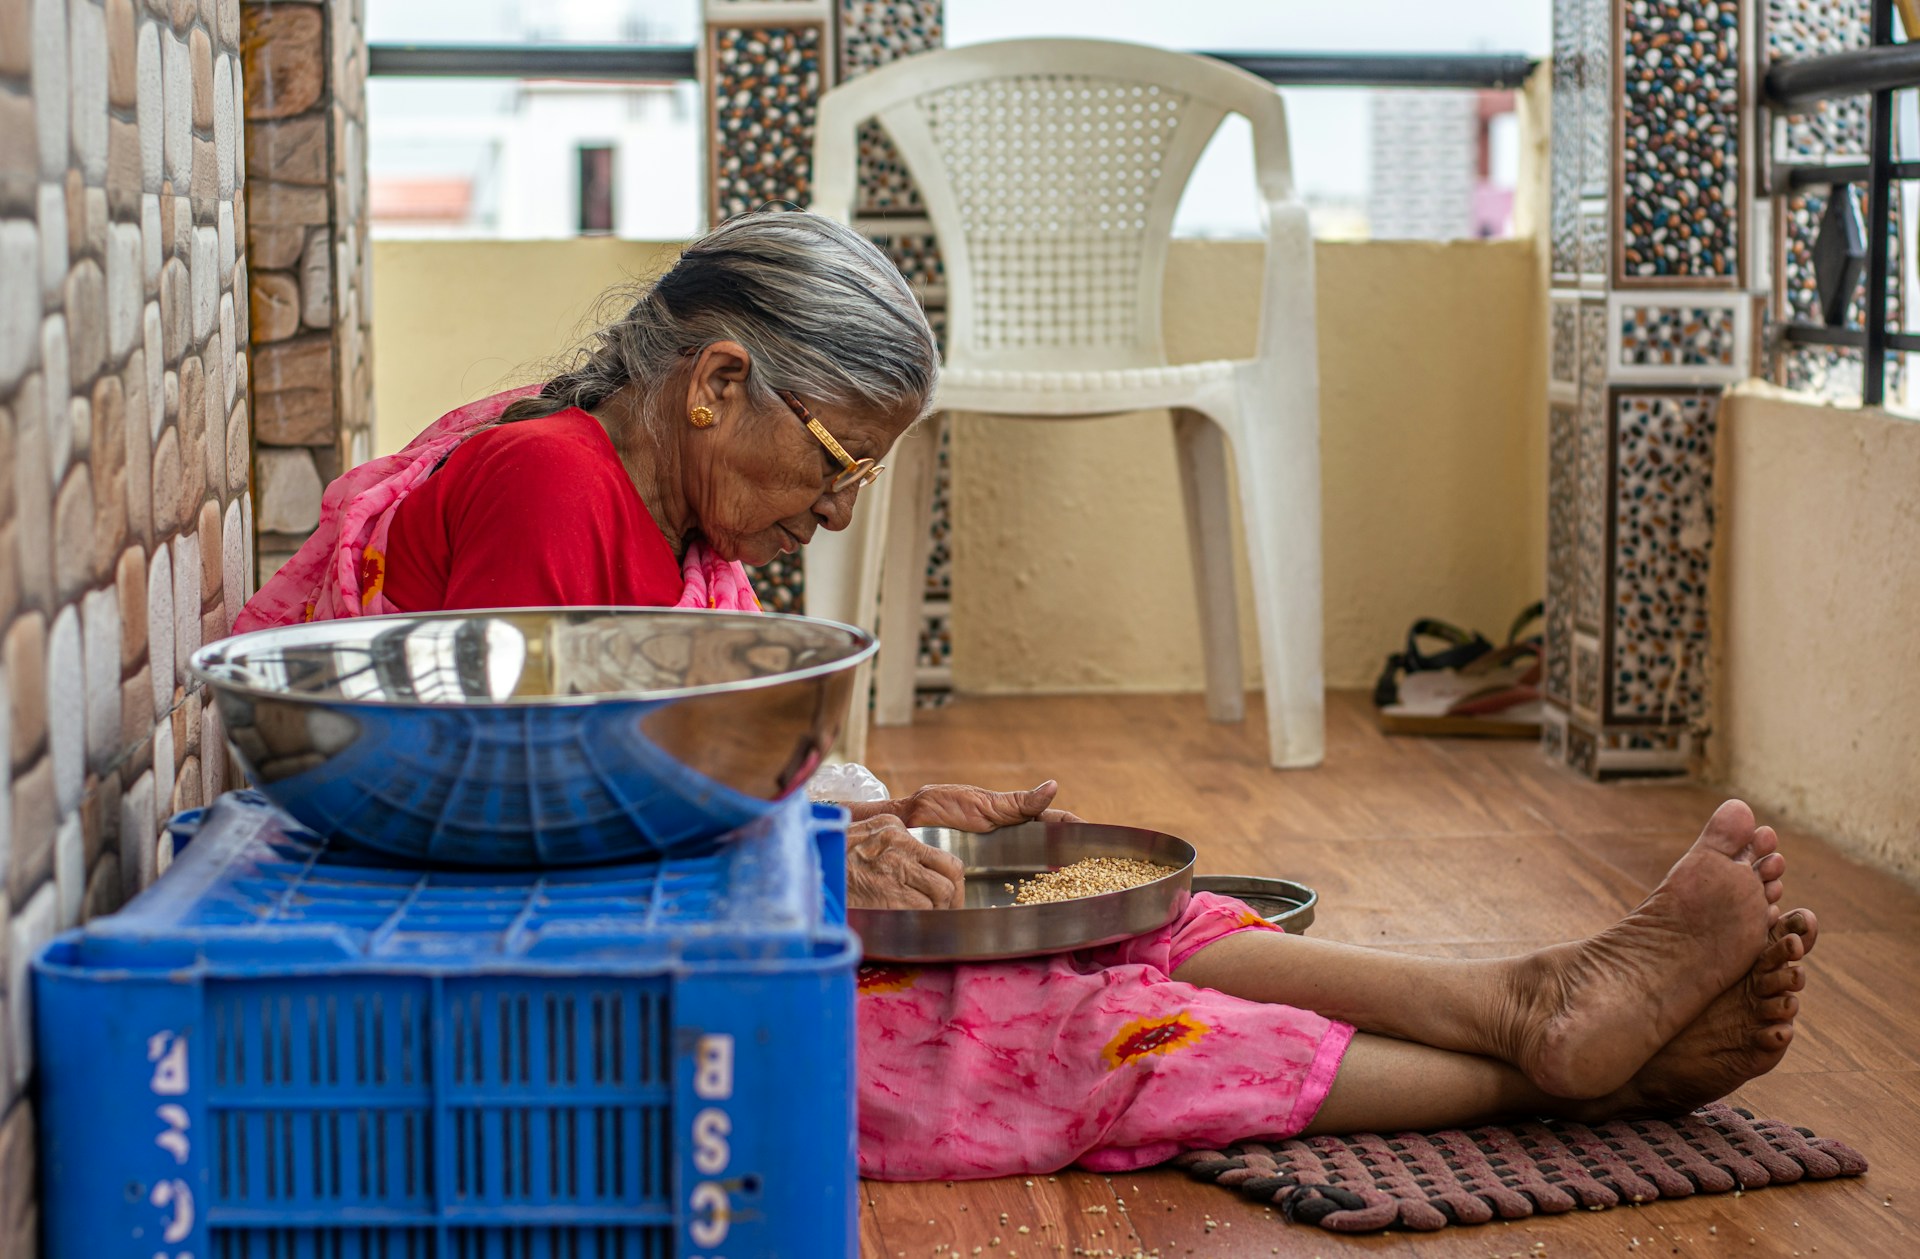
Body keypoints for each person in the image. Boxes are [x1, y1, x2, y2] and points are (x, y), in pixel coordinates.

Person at [233, 210, 1816, 1182]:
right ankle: (1548, 1081)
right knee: (1049, 1025)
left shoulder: (655, 507)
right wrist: (810, 860)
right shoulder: (549, 483)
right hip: (538, 1005)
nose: (839, 516)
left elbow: (647, 772)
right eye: (842, 464)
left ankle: (1530, 1000)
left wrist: (875, 814)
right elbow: (529, 838)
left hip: (614, 921)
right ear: (718, 387)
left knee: (1116, 914)